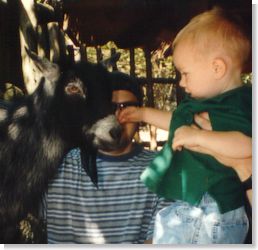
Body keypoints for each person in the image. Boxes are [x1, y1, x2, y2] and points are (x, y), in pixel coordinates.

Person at [119, 7, 252, 244]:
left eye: (185, 73)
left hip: (216, 210)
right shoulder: (203, 103)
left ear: (217, 68)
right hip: (193, 207)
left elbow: (247, 146)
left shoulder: (240, 103)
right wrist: (143, 113)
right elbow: (177, 125)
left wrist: (199, 138)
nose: (181, 82)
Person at [45, 74, 172, 244]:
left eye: (127, 107)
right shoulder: (56, 165)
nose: (118, 117)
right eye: (108, 107)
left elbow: (160, 240)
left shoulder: (162, 169)